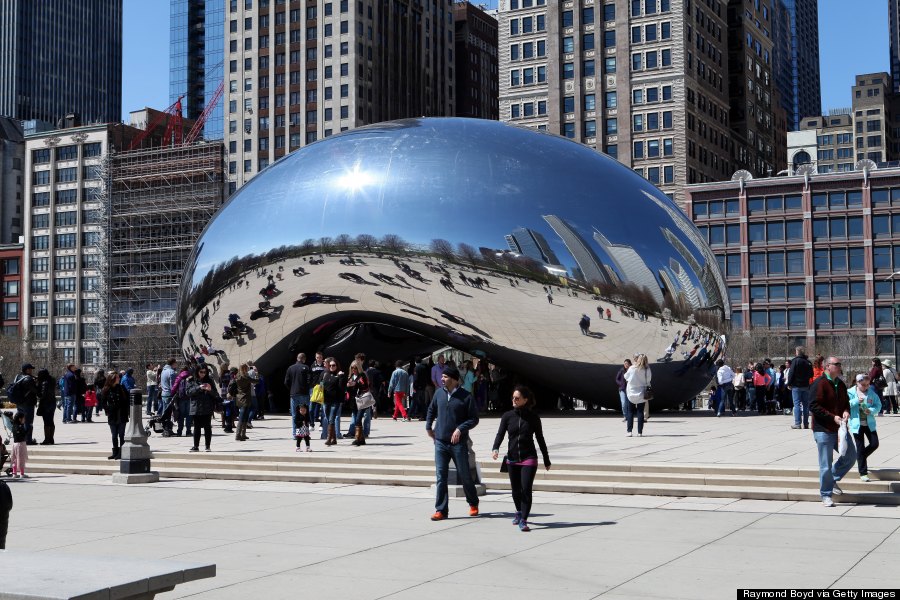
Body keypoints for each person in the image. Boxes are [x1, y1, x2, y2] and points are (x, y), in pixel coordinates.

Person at [491, 386, 551, 532]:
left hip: (529, 458)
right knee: (515, 490)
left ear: (525, 400)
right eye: (513, 398)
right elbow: (500, 434)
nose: (514, 400)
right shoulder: (507, 416)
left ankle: (523, 519)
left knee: (526, 490)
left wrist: (546, 458)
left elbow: (540, 439)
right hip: (512, 458)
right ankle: (518, 512)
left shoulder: (533, 418)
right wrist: (495, 448)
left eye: (517, 398)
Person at [426, 365, 480, 521]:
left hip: (458, 443)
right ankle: (441, 510)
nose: (442, 379)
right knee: (441, 477)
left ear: (455, 380)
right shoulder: (438, 394)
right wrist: (429, 426)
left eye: (445, 377)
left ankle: (473, 503)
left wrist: (460, 429)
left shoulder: (466, 396)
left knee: (464, 475)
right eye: (442, 376)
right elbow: (431, 410)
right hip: (441, 442)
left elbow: (473, 419)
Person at [810, 356, 856, 507]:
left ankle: (832, 479)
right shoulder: (819, 383)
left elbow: (846, 403)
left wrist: (846, 412)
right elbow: (814, 406)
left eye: (839, 364)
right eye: (836, 364)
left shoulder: (840, 384)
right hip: (823, 429)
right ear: (827, 366)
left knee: (850, 456)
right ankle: (826, 495)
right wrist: (832, 417)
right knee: (825, 464)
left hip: (839, 429)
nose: (839, 366)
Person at [848, 374, 881, 482]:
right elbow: (845, 405)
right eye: (863, 385)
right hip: (856, 425)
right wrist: (857, 401)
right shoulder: (850, 392)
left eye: (867, 385)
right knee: (860, 446)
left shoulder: (871, 393)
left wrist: (871, 410)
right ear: (857, 383)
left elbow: (878, 405)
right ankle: (863, 473)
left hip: (869, 423)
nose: (865, 387)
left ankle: (861, 457)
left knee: (874, 444)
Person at [186, 365, 219, 452]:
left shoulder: (209, 380)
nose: (203, 374)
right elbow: (188, 392)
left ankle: (207, 446)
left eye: (205, 372)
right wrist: (199, 387)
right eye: (201, 372)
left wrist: (209, 390)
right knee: (197, 427)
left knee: (207, 427)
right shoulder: (191, 380)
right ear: (197, 372)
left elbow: (215, 394)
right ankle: (196, 446)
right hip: (196, 407)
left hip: (207, 407)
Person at [102, 372, 129, 460]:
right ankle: (115, 452)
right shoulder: (106, 389)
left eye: (118, 377)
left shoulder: (121, 388)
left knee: (121, 434)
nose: (119, 379)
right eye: (117, 377)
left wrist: (127, 411)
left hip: (121, 414)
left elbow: (127, 400)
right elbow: (103, 402)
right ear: (112, 379)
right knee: (114, 435)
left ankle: (121, 453)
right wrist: (107, 410)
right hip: (112, 414)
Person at [321, 357, 347, 446]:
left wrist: (340, 377)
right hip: (326, 400)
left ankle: (329, 438)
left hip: (335, 401)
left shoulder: (340, 375)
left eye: (333, 365)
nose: (332, 367)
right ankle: (334, 438)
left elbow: (341, 388)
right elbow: (322, 384)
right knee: (328, 420)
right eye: (330, 365)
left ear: (337, 366)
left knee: (332, 419)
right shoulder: (326, 374)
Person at [624, 354, 651, 437]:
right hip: (642, 392)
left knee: (630, 412)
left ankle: (629, 431)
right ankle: (640, 432)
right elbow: (649, 380)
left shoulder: (632, 368)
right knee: (640, 412)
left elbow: (626, 376)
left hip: (631, 392)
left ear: (638, 359)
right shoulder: (647, 369)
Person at [787, 346, 813, 430]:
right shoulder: (808, 362)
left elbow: (791, 373)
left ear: (797, 352)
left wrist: (789, 383)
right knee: (806, 405)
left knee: (797, 404)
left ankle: (798, 423)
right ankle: (806, 423)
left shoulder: (795, 361)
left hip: (796, 386)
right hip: (805, 385)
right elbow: (811, 374)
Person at [285, 353, 311, 436]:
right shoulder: (306, 367)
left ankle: (295, 433)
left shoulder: (290, 368)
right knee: (304, 414)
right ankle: (305, 433)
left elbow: (286, 382)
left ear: (297, 358)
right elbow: (309, 380)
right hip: (304, 393)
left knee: (294, 414)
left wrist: (292, 388)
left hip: (293, 394)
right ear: (304, 359)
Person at [12, 364, 38, 444]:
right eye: (30, 369)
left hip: (19, 403)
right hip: (28, 404)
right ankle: (28, 440)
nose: (31, 371)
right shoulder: (28, 379)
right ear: (27, 370)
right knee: (28, 422)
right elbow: (35, 390)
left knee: (21, 421)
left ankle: (22, 438)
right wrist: (36, 383)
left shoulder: (17, 377)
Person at [346, 363, 370, 446]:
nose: (353, 369)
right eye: (352, 368)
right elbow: (347, 389)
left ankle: (357, 438)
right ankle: (362, 439)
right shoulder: (351, 377)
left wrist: (356, 384)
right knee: (357, 419)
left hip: (361, 400)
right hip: (353, 401)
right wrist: (348, 385)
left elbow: (366, 386)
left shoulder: (362, 375)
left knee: (358, 419)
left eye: (355, 368)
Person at [232, 363, 257, 442]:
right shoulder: (245, 377)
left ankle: (243, 434)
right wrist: (256, 373)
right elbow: (256, 381)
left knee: (244, 416)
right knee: (243, 417)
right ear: (245, 369)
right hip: (245, 398)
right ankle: (238, 435)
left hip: (239, 398)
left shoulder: (237, 376)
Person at [36, 368, 57, 445]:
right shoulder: (52, 380)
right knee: (51, 421)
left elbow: (42, 395)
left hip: (46, 404)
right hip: (52, 402)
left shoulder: (44, 383)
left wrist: (37, 389)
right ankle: (51, 439)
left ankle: (47, 439)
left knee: (46, 422)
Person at [9, 412, 28, 478]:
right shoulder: (20, 426)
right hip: (21, 444)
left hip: (15, 444)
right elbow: (22, 435)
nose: (24, 420)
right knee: (21, 459)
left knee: (14, 459)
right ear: (20, 419)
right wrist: (27, 430)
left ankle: (14, 473)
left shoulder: (14, 425)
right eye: (23, 418)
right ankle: (22, 474)